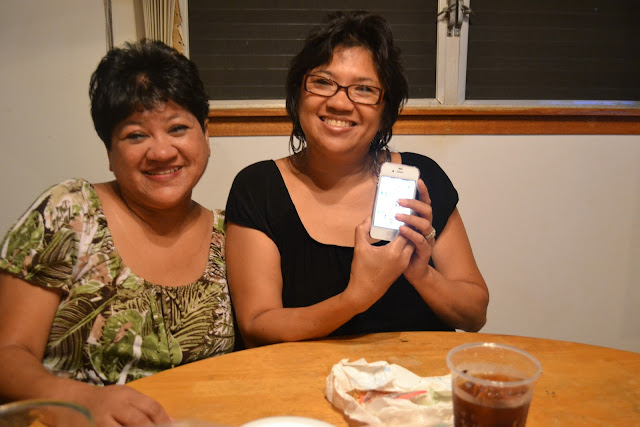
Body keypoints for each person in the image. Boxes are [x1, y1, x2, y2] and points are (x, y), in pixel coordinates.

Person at [0, 40, 234, 426]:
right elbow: (8, 353)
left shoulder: (232, 235)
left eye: (178, 128)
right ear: (110, 151)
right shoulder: (70, 212)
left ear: (205, 135)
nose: (161, 151)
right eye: (136, 135)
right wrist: (78, 401)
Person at [225, 11, 489, 348]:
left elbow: (474, 315)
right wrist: (357, 296)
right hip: (308, 378)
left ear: (385, 110)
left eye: (364, 89)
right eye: (323, 82)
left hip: (418, 376)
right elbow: (257, 326)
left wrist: (422, 274)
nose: (339, 102)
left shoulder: (422, 182)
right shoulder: (258, 188)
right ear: (297, 94)